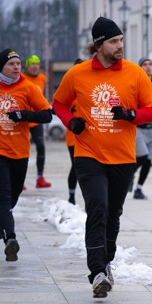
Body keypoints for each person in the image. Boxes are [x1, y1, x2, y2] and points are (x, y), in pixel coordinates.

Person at [52, 17, 152, 298]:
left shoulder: (135, 74)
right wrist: (71, 121)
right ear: (98, 45)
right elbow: (59, 102)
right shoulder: (77, 74)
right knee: (97, 209)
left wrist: (130, 114)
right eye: (114, 41)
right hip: (89, 153)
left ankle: (107, 261)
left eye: (122, 40)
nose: (120, 45)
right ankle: (97, 271)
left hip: (123, 157)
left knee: (113, 214)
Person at [0, 49, 52, 260]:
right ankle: (10, 238)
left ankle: (1, 219)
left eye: (19, 63)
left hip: (19, 152)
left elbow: (47, 114)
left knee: (14, 195)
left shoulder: (28, 87)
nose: (17, 67)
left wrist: (23, 115)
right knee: (3, 195)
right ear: (1, 67)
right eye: (12, 64)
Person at [126, 57, 152, 200]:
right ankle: (129, 174)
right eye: (144, 64)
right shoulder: (135, 82)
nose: (148, 67)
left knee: (148, 160)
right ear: (140, 67)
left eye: (150, 64)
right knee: (142, 155)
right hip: (139, 126)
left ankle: (138, 189)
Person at [21, 54, 52, 188]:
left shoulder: (42, 78)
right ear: (27, 66)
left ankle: (40, 178)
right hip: (23, 119)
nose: (35, 66)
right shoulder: (21, 78)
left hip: (37, 117)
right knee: (22, 149)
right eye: (32, 63)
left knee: (41, 146)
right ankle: (19, 179)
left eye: (37, 64)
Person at [65, 58, 85, 204]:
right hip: (73, 137)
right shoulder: (70, 90)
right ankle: (71, 196)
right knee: (77, 165)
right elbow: (57, 107)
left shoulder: (88, 88)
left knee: (86, 166)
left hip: (88, 136)